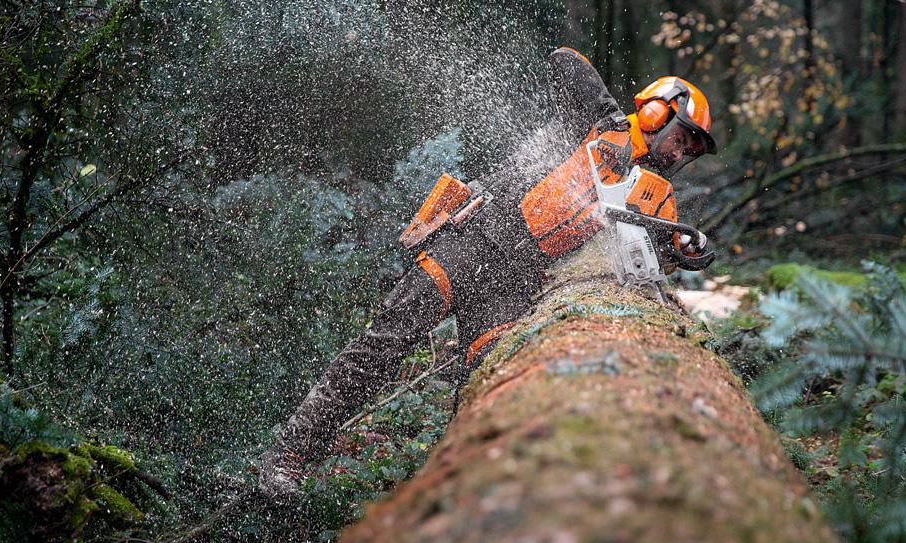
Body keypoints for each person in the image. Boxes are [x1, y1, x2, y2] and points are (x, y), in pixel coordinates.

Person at [259, 47, 718, 500]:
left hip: (516, 279)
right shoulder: (601, 128)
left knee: (489, 380)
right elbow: (563, 59)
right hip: (476, 237)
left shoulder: (656, 195)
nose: (680, 152)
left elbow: (662, 248)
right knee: (386, 340)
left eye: (690, 150)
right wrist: (606, 112)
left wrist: (687, 251)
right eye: (682, 136)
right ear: (658, 112)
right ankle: (290, 455)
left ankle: (456, 494)